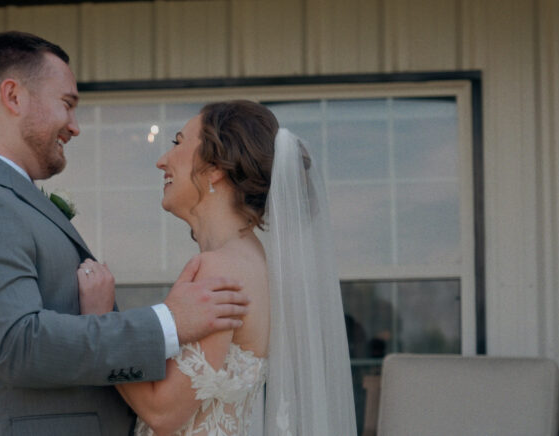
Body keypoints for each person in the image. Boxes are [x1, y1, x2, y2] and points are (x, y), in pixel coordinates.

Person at [0, 31, 251, 435]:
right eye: (67, 105)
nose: (75, 127)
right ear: (13, 96)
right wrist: (168, 322)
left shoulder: (8, 198)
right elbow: (17, 345)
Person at [80, 100, 357, 435]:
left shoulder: (220, 269)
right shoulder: (253, 261)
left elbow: (163, 411)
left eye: (178, 143)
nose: (161, 160)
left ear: (215, 169)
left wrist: (100, 320)